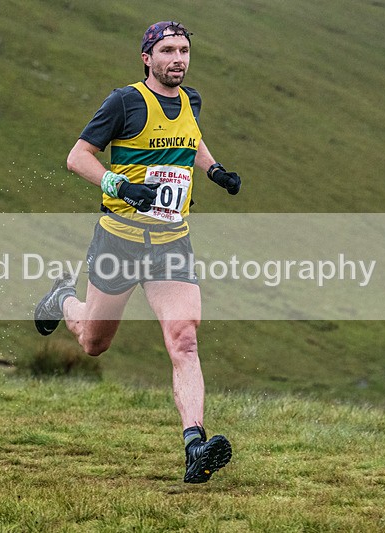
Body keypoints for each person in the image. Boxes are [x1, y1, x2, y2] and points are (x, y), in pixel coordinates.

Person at [34, 21, 242, 483]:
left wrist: (215, 171)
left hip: (171, 244)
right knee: (93, 343)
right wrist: (120, 185)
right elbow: (78, 157)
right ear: (147, 57)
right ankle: (62, 298)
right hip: (119, 240)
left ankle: (194, 444)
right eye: (167, 50)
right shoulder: (124, 101)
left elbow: (191, 141)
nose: (178, 59)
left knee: (184, 339)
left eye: (184, 50)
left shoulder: (191, 100)